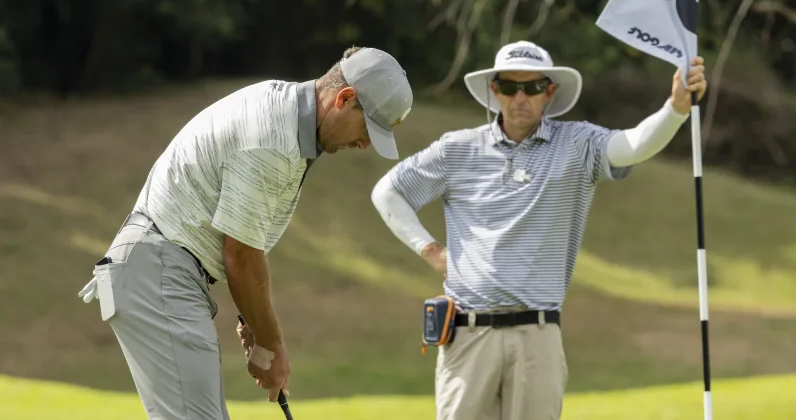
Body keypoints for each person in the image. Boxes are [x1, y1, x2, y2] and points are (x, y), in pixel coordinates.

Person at [370, 40, 707, 420]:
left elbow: (631, 145)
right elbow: (388, 191)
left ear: (549, 92)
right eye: (510, 86)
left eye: (531, 87)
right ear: (494, 90)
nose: (520, 98)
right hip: (469, 333)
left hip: (537, 334)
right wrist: (430, 251)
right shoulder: (457, 149)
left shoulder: (578, 143)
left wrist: (676, 109)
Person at [77, 46, 414, 420]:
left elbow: (239, 246)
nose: (365, 144)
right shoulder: (273, 140)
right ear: (345, 98)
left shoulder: (284, 113)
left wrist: (255, 326)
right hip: (157, 269)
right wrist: (272, 346)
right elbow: (241, 255)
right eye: (368, 129)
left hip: (160, 269)